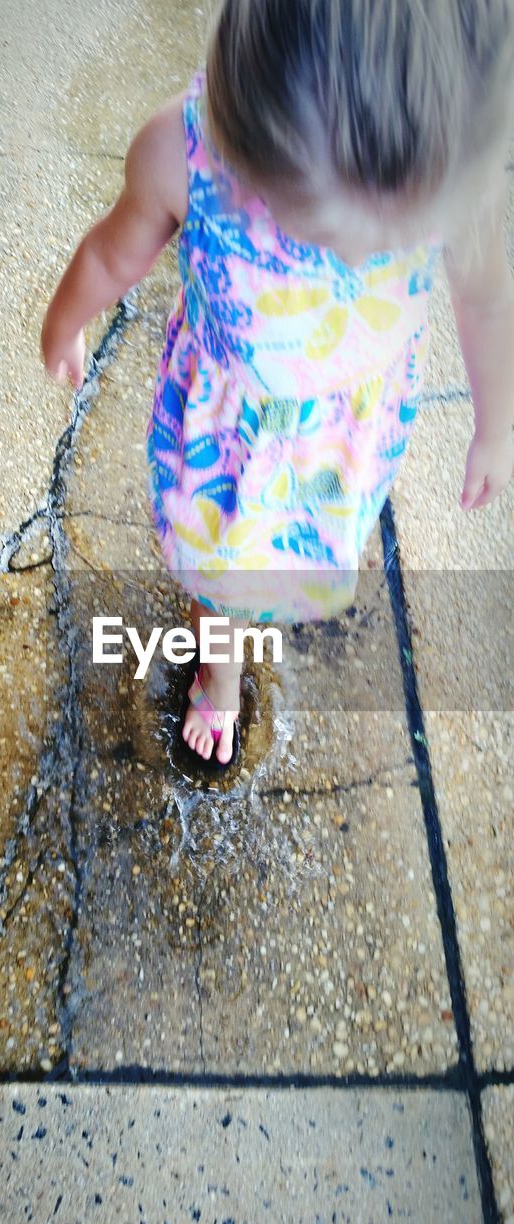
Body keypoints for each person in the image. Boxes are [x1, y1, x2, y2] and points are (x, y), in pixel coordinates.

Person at [40, 0, 514, 769]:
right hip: (229, 435)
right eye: (320, 235)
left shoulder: (453, 175)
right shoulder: (182, 152)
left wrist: (498, 425)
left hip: (344, 438)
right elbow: (111, 255)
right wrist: (64, 321)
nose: (352, 261)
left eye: (386, 243)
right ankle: (220, 674)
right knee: (221, 573)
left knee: (296, 553)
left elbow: (488, 298)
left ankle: (265, 596)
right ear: (239, 126)